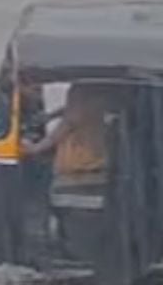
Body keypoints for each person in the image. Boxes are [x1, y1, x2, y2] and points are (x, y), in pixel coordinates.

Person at [22, 83, 118, 258]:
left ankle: (62, 245)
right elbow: (70, 111)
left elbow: (61, 130)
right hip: (99, 158)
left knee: (54, 200)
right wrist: (50, 116)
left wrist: (32, 148)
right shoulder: (98, 93)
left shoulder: (80, 97)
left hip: (80, 165)